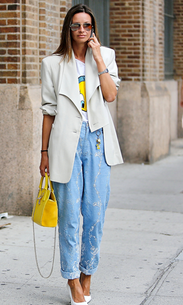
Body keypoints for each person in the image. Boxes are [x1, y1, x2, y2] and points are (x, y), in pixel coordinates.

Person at [39, 4, 123, 305]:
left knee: (95, 213)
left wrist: (98, 57)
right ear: (68, 28)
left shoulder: (107, 56)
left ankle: (88, 273)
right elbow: (49, 112)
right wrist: (44, 152)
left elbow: (111, 95)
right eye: (76, 25)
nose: (82, 30)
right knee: (70, 216)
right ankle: (72, 280)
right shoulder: (52, 64)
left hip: (98, 140)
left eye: (87, 25)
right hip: (64, 143)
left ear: (93, 29)